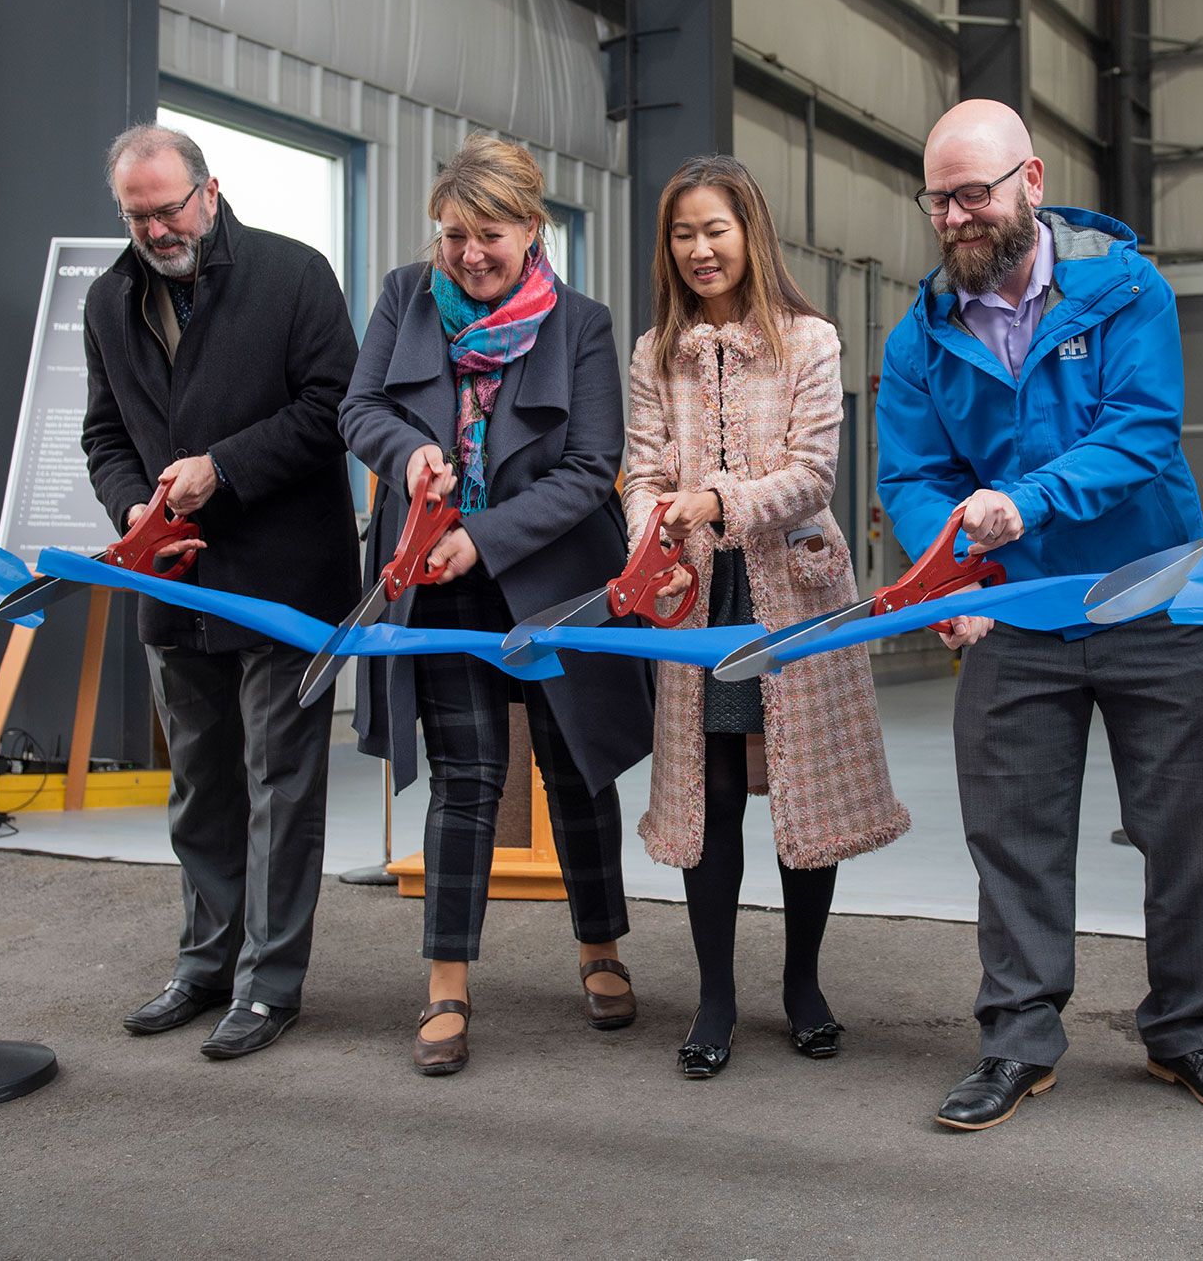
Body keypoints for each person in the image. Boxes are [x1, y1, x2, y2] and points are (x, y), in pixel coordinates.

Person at [875, 99, 1203, 1132]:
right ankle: (1016, 1038)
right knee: (1012, 834)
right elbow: (912, 476)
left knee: (1183, 828)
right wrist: (952, 573)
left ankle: (1188, 1035)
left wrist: (1025, 504)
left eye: (975, 193)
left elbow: (1140, 431)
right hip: (1017, 615)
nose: (957, 217)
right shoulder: (918, 336)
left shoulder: (1122, 288)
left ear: (1031, 183)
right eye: (938, 200)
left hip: (1149, 595)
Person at [340, 134, 654, 1076]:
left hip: (552, 581)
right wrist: (407, 455)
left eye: (488, 235)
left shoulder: (583, 324)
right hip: (432, 585)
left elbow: (592, 468)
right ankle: (445, 984)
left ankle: (600, 951)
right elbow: (359, 409)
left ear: (531, 228)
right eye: (451, 237)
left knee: (574, 770)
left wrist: (483, 535)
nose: (468, 255)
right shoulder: (404, 297)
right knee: (466, 779)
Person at [624, 154, 909, 1079]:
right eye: (682, 233)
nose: (700, 249)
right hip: (698, 601)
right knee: (707, 801)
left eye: (716, 229)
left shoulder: (810, 341)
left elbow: (812, 475)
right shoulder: (653, 351)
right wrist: (652, 536)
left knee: (800, 792)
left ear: (750, 233)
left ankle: (803, 985)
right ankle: (714, 997)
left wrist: (711, 500)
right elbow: (641, 470)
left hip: (793, 593)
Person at [84, 123, 362, 1058]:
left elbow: (335, 409)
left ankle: (268, 985)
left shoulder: (294, 274)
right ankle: (204, 967)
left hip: (287, 583)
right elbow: (104, 435)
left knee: (281, 787)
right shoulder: (108, 301)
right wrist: (134, 508)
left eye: (169, 209)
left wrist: (221, 470)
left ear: (211, 191)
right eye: (138, 215)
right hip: (175, 585)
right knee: (200, 789)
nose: (158, 229)